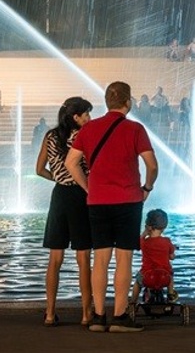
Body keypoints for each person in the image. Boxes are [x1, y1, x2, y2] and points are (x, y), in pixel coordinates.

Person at [65, 81, 157, 333]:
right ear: (128, 102)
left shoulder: (89, 129)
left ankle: (97, 317)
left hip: (98, 201)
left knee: (101, 259)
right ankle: (119, 317)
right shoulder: (135, 129)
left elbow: (70, 163)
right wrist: (147, 189)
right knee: (124, 258)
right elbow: (152, 165)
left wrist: (88, 187)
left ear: (107, 102)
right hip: (128, 200)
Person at [36, 96, 94, 328]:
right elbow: (89, 167)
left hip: (59, 196)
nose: (89, 118)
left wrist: (59, 178)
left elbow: (39, 170)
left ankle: (50, 314)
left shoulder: (50, 136)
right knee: (83, 258)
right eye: (86, 114)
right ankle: (86, 314)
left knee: (55, 259)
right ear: (75, 117)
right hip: (81, 196)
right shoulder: (84, 136)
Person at [130, 208, 177, 305]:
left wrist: (144, 233)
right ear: (164, 227)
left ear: (148, 226)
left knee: (137, 283)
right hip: (164, 278)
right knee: (171, 275)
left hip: (147, 277)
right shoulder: (167, 241)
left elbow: (136, 244)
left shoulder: (144, 242)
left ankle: (132, 302)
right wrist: (171, 254)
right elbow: (172, 257)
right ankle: (171, 294)